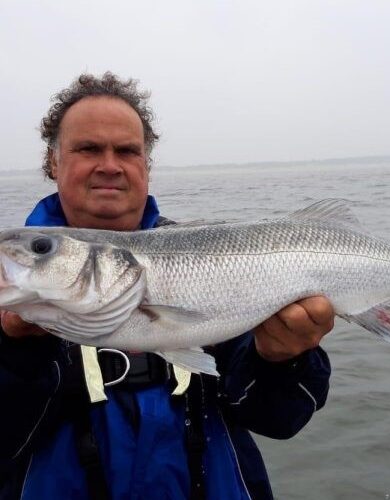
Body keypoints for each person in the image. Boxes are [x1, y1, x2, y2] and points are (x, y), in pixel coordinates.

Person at [0, 73, 333, 500]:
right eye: (88, 149)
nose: (109, 165)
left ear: (147, 165)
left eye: (127, 151)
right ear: (53, 161)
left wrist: (284, 359)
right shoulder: (15, 285)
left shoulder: (216, 263)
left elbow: (281, 420)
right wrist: (16, 355)